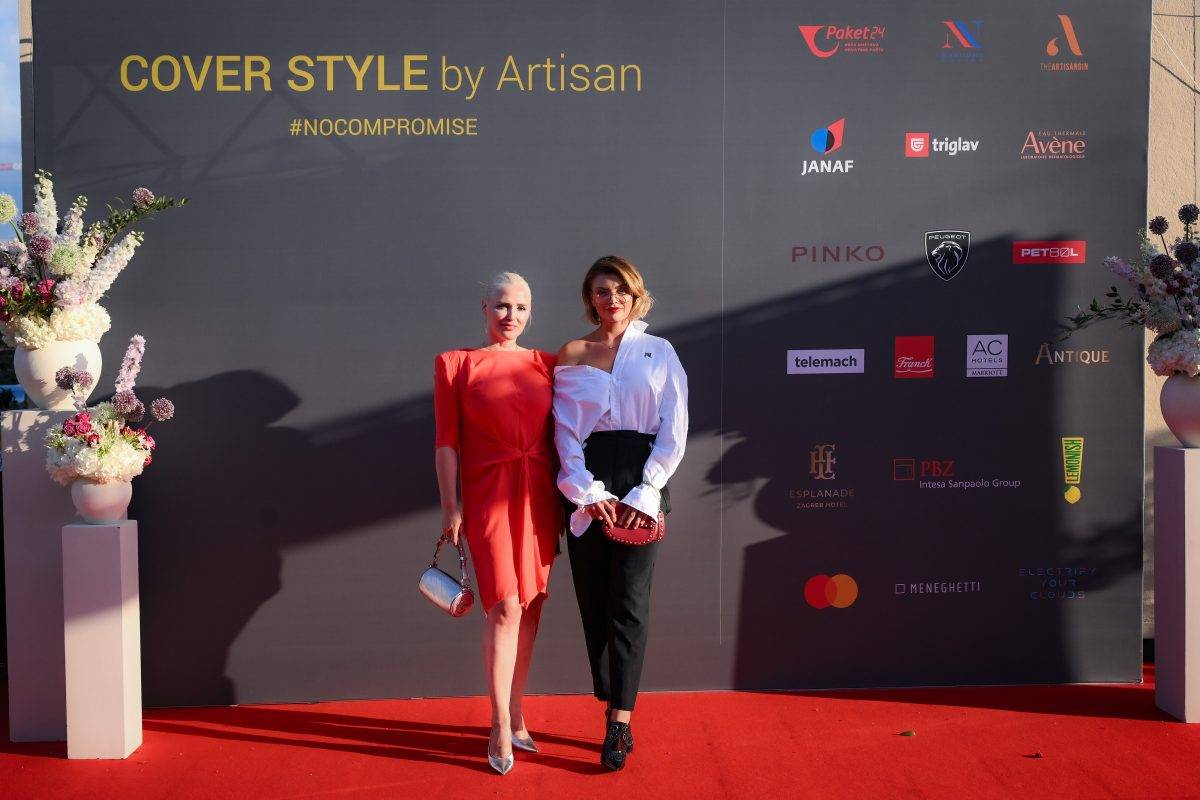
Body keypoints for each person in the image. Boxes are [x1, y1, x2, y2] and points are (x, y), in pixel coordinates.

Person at [552, 255, 689, 771]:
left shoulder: (659, 351)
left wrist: (647, 489)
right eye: (602, 291)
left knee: (628, 603)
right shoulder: (572, 352)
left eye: (621, 291)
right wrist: (585, 491)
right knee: (593, 601)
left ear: (635, 296)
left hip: (641, 478)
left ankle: (620, 722)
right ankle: (611, 694)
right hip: (587, 482)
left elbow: (675, 427)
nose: (612, 300)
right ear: (590, 298)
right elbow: (564, 431)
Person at [433, 272, 563, 775]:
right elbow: (447, 442)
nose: (512, 316)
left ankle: (518, 710)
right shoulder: (456, 363)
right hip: (488, 494)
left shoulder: (547, 363)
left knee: (531, 605)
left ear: (531, 312)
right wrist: (451, 506)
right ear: (484, 308)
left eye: (522, 307)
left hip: (540, 495)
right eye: (503, 306)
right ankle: (499, 723)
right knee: (504, 604)